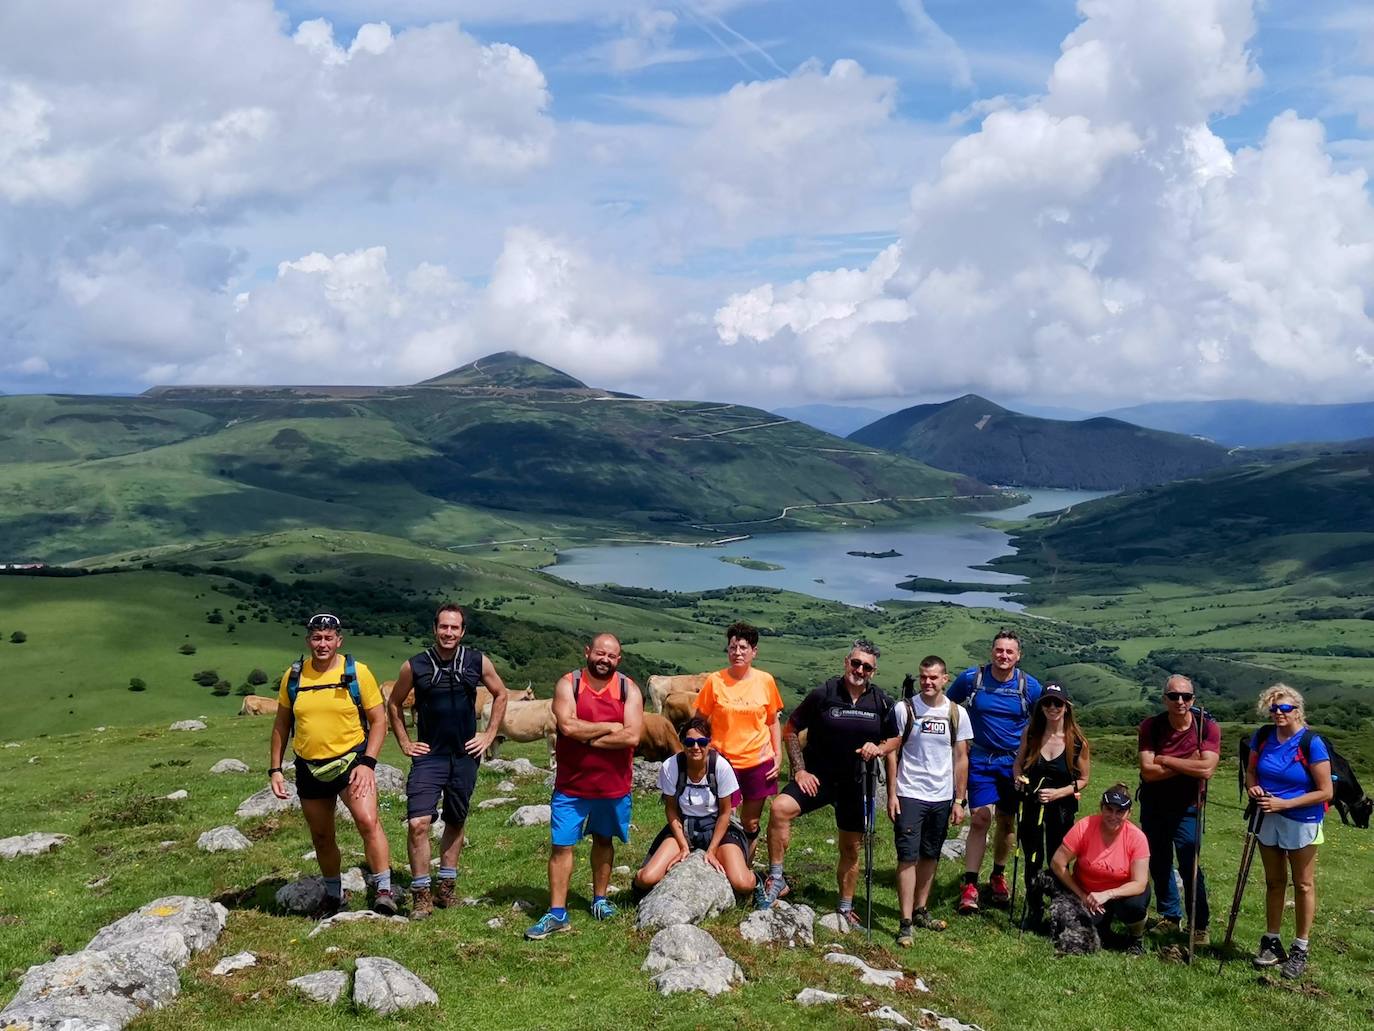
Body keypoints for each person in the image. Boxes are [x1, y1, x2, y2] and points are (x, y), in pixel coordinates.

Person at [386, 603, 510, 920]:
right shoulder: (414, 666)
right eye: (444, 627)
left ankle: (446, 889)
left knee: (455, 820)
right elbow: (394, 703)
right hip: (430, 756)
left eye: (455, 628)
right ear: (435, 629)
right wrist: (404, 741)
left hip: (465, 756)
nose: (449, 633)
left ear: (462, 631)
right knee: (418, 823)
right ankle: (421, 895)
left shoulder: (476, 661)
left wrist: (489, 734)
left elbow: (501, 693)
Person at [758, 640, 894, 926]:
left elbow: (895, 737)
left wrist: (879, 748)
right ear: (846, 662)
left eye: (866, 666)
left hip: (856, 783)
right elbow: (791, 729)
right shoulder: (825, 693)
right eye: (855, 663)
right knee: (780, 808)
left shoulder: (881, 701)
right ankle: (776, 879)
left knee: (851, 848)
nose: (859, 669)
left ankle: (845, 908)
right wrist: (799, 770)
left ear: (873, 671)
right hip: (818, 776)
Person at [267, 612, 394, 917]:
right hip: (309, 767)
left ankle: (385, 891)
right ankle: (334, 894)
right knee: (322, 836)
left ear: (339, 640)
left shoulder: (357, 672)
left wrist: (368, 763)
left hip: (351, 761)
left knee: (367, 821)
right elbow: (282, 725)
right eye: (316, 637)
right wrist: (275, 769)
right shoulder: (294, 676)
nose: (322, 644)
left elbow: (379, 721)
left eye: (328, 638)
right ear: (308, 639)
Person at [525, 633, 644, 940]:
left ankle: (600, 900)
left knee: (604, 841)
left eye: (611, 656)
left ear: (618, 660)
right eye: (599, 653)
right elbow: (566, 726)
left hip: (613, 786)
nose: (604, 659)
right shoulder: (569, 684)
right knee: (561, 845)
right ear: (588, 651)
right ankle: (557, 912)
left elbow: (632, 737)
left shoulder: (628, 688)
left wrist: (585, 736)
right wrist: (607, 728)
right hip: (571, 785)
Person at [875, 655, 971, 946]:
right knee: (907, 856)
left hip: (942, 797)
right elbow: (892, 753)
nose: (928, 683)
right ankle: (905, 922)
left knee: (931, 855)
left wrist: (959, 799)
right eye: (923, 677)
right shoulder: (905, 710)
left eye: (934, 678)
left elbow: (961, 757)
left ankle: (921, 910)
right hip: (909, 793)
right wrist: (891, 794)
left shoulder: (957, 714)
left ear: (945, 679)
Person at [947, 629, 1043, 913]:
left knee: (1006, 821)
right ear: (992, 651)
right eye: (999, 650)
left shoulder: (1029, 686)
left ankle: (998, 875)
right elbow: (949, 707)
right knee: (979, 819)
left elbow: (1046, 718)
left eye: (1009, 652)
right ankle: (970, 883)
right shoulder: (971, 679)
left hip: (1013, 763)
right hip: (979, 758)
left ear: (1018, 656)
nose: (1003, 656)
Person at [1246, 683, 1333, 980]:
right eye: (1274, 709)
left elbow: (1325, 791)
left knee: (1303, 884)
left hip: (1302, 819)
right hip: (1267, 815)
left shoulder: (1311, 743)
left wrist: (1286, 803)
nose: (1279, 714)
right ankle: (1271, 942)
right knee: (1273, 882)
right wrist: (1252, 786)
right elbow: (1251, 771)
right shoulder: (1263, 736)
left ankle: (1300, 948)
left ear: (1298, 710)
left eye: (1285, 708)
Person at [632, 716, 757, 897]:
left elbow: (725, 813)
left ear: (709, 743)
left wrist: (712, 850)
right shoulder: (671, 767)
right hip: (684, 827)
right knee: (647, 878)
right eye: (690, 742)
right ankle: (635, 890)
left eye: (702, 742)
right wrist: (683, 846)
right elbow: (671, 809)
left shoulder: (721, 767)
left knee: (743, 883)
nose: (696, 747)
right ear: (682, 743)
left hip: (718, 828)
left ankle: (759, 880)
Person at [1136, 674, 1219, 946]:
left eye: (1186, 696)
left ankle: (1200, 925)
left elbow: (1206, 769)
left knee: (1189, 865)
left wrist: (1166, 759)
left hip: (1189, 808)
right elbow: (1148, 772)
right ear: (1165, 698)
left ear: (1194, 699)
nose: (1180, 701)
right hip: (1154, 805)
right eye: (1173, 696)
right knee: (1159, 862)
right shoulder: (1151, 726)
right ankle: (1170, 916)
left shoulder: (1207, 727)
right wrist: (1189, 762)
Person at [693, 621, 784, 859]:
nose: (737, 653)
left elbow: (773, 720)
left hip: (758, 760)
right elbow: (699, 719)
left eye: (743, 647)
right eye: (733, 647)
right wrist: (701, 750)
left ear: (754, 651)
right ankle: (719, 864)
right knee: (722, 816)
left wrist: (778, 754)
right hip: (723, 761)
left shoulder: (765, 681)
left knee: (751, 823)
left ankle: (745, 865)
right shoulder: (715, 681)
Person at [1012, 682, 1091, 932]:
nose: (1052, 707)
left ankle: (1060, 909)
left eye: (1058, 703)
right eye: (1047, 702)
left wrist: (1059, 793)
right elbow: (1018, 764)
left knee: (1058, 859)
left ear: (1066, 707)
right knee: (1032, 857)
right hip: (1031, 805)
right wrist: (1018, 778)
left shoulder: (1077, 741)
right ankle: (1035, 909)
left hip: (1061, 809)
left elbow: (1083, 779)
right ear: (1041, 707)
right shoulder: (1032, 734)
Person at [1050, 783, 1152, 955]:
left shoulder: (1137, 838)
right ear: (1101, 808)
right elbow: (1057, 863)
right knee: (1080, 930)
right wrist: (1081, 895)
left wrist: (1108, 894)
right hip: (1088, 893)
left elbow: (1140, 883)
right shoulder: (1085, 827)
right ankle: (1104, 929)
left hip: (1121, 894)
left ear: (1129, 813)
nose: (1113, 816)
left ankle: (1136, 938)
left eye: (1120, 811)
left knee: (1134, 906)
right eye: (1109, 809)